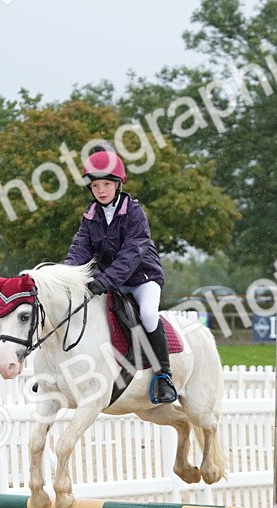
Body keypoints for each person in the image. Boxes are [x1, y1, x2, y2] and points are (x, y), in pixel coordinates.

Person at [62, 147, 177, 404]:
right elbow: (80, 249)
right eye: (95, 186)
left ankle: (164, 376)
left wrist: (105, 280)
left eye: (106, 184)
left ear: (118, 184)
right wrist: (65, 275)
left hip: (142, 279)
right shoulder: (90, 216)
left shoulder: (134, 213)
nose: (100, 190)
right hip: (112, 281)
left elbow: (130, 255)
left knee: (148, 314)